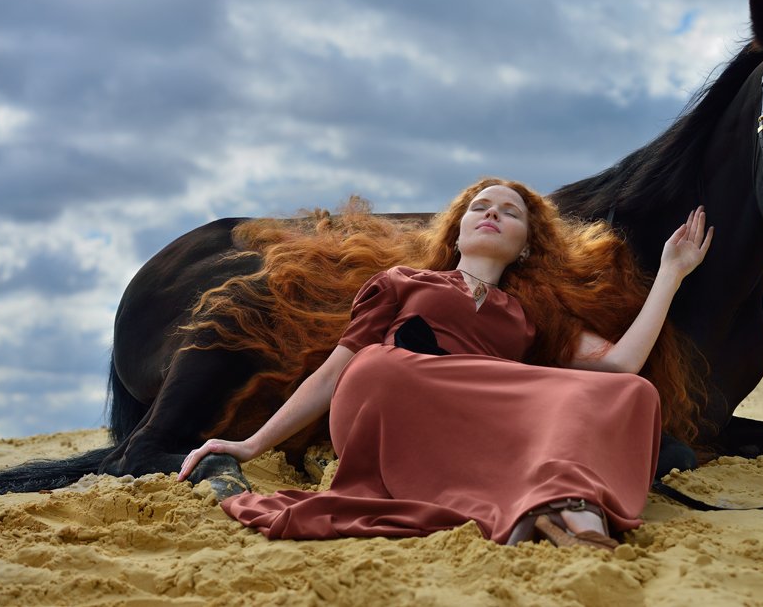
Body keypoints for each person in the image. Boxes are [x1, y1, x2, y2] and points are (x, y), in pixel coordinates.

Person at [178, 178, 712, 549]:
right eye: (480, 207)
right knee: (386, 365)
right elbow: (337, 371)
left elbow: (621, 367)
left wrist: (671, 273)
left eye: (510, 212)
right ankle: (548, 504)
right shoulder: (402, 281)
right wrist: (250, 445)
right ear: (456, 231)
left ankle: (563, 504)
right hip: (390, 395)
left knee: (632, 394)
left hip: (477, 420)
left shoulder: (528, 316)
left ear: (527, 245)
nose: (492, 214)